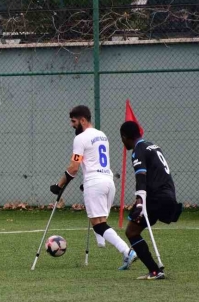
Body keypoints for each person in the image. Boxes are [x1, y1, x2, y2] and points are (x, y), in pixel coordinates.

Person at [51, 105, 137, 270]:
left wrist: (59, 185)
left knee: (98, 224)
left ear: (83, 120)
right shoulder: (102, 135)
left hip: (95, 183)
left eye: (74, 121)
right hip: (108, 182)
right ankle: (102, 243)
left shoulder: (80, 138)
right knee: (100, 221)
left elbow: (74, 167)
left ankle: (127, 251)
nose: (72, 125)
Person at [120, 120, 183, 280]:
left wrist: (140, 202)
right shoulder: (152, 145)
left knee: (131, 232)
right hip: (168, 195)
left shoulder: (138, 150)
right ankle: (154, 270)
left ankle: (155, 271)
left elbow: (141, 176)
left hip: (156, 198)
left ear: (125, 137)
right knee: (133, 230)